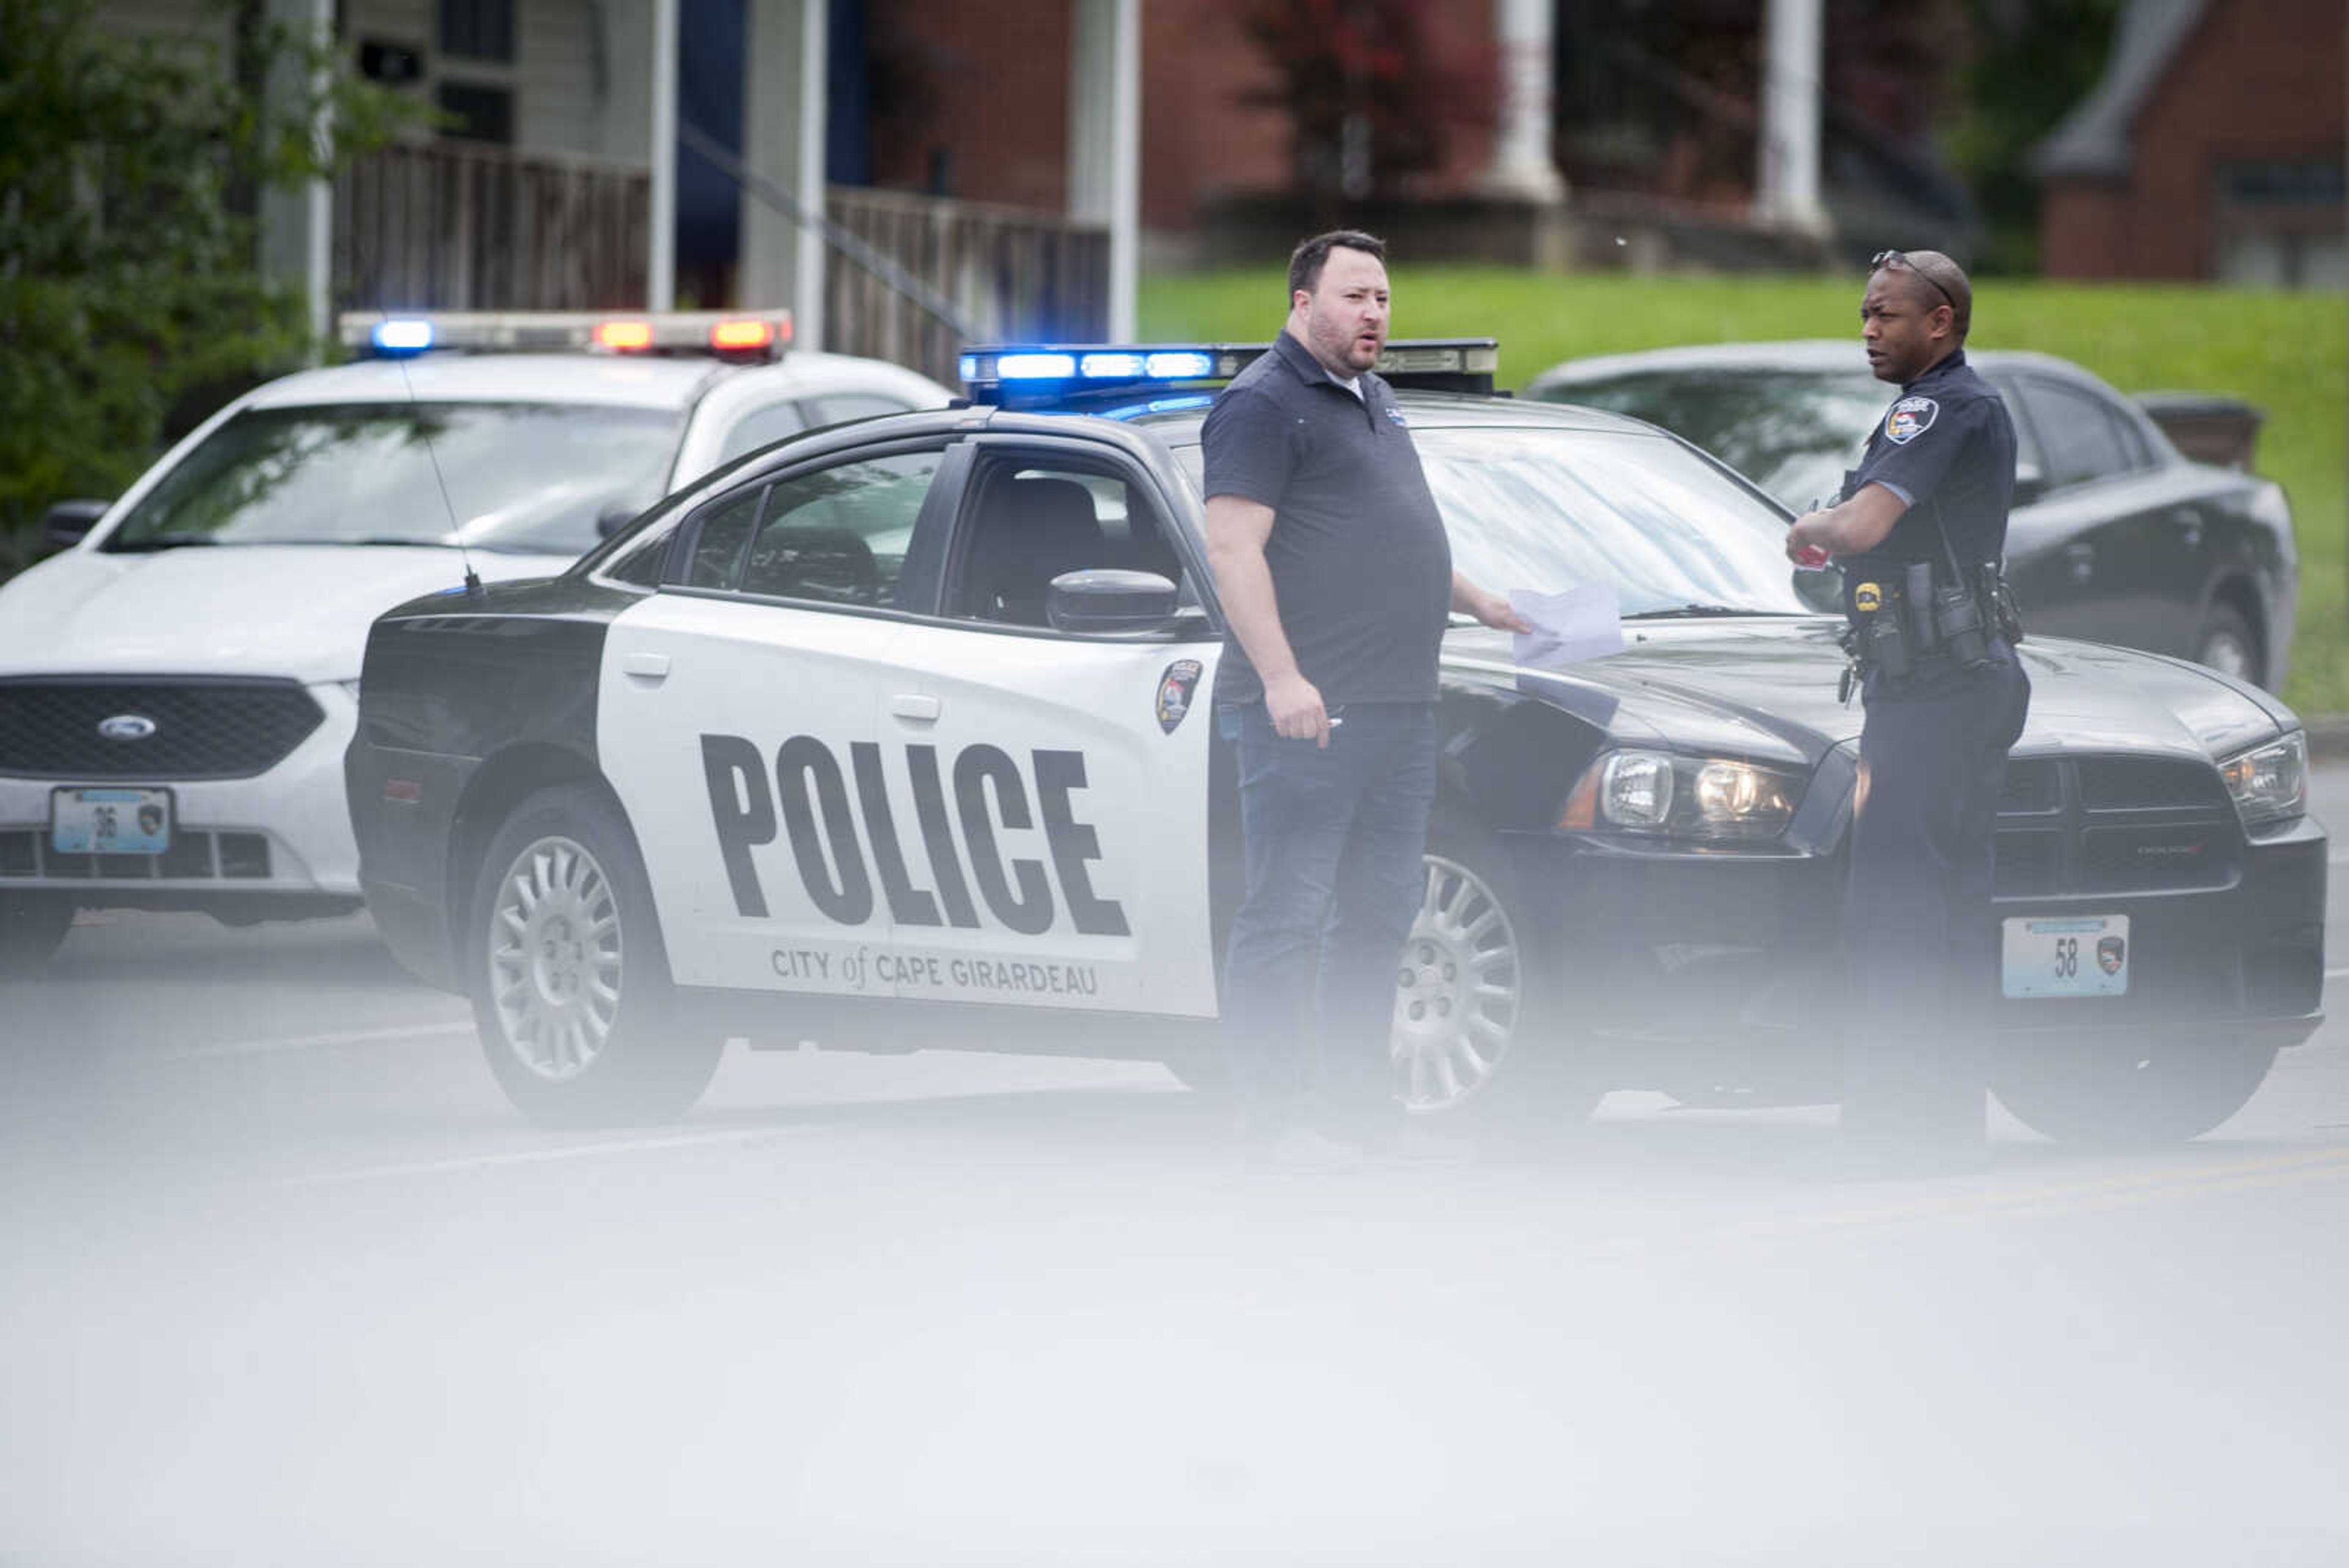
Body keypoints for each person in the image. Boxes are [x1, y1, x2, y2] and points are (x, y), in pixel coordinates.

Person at [1201, 229, 1526, 1170]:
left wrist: (1479, 599)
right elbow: (1234, 551)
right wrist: (1281, 678)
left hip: (1398, 709)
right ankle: (1264, 1113)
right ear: (1303, 303)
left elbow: (1386, 533)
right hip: (1309, 714)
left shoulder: (1372, 398)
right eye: (1354, 297)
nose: (1374, 314)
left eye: (1383, 297)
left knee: (1382, 913)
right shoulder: (1263, 405)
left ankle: (1354, 1102)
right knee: (1287, 913)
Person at [1784, 248, 2032, 1176]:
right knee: (1956, 899)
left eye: (1888, 315)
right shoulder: (1963, 407)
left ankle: (1888, 1120)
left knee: (1891, 904)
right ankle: (1944, 1115)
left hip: (1931, 687)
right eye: (1865, 315)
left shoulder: (1938, 406)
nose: (1870, 331)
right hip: (1970, 676)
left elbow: (1861, 528)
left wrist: (1810, 526)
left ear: (1943, 322)